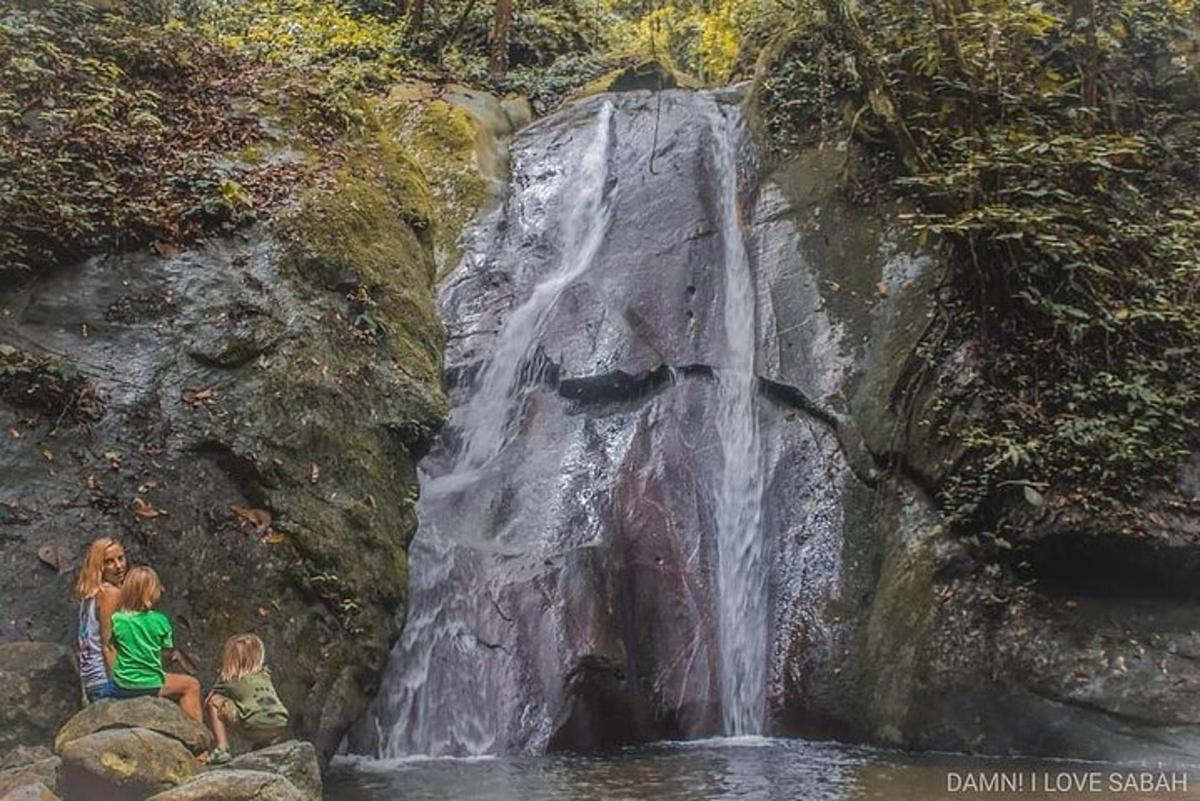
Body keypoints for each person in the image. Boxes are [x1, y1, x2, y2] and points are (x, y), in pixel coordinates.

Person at [108, 566, 202, 721]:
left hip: (122, 684)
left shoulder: (117, 619)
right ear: (153, 592)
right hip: (150, 683)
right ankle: (197, 735)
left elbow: (112, 644)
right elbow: (165, 650)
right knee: (192, 685)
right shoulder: (160, 621)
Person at [205, 634, 289, 764]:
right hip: (280, 723)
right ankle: (264, 743)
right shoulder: (266, 675)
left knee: (214, 702)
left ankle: (222, 748)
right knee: (256, 706)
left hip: (253, 726)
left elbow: (209, 700)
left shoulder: (229, 678)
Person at [74, 537, 126, 702]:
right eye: (109, 562)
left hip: (92, 681)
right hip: (105, 681)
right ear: (99, 567)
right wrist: (121, 686)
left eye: (121, 558)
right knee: (189, 685)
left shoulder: (90, 594)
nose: (118, 566)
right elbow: (108, 645)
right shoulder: (110, 593)